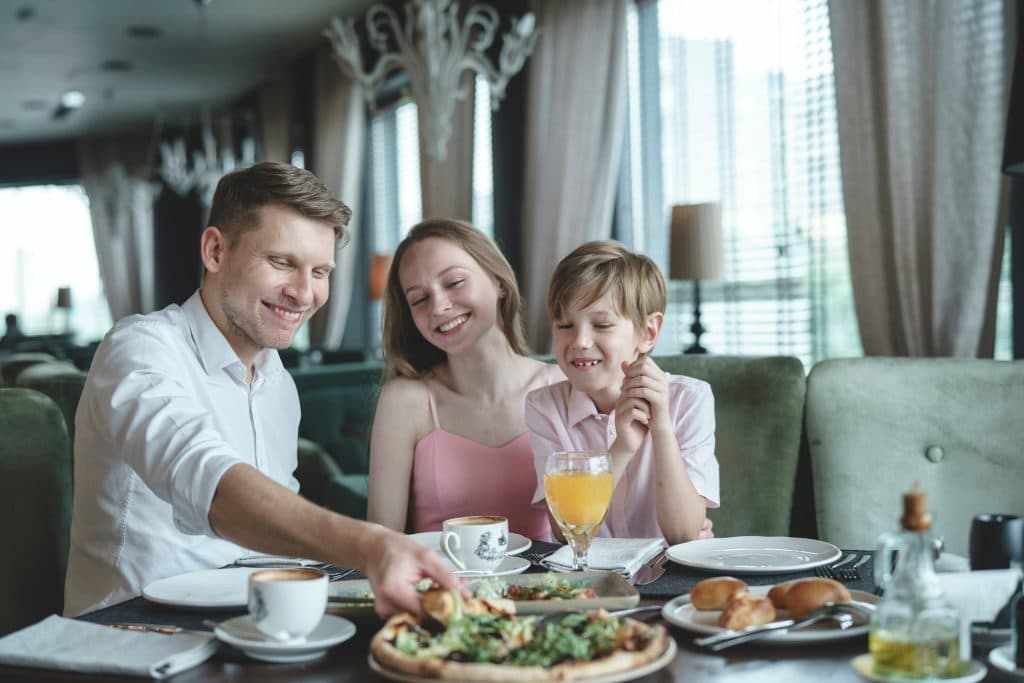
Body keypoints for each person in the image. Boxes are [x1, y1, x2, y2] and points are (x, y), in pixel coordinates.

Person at [64, 162, 458, 618]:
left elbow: (276, 541)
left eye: (320, 271)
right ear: (215, 251)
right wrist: (370, 545)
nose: (304, 293)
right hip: (128, 634)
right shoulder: (141, 349)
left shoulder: (278, 384)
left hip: (248, 628)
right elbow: (211, 483)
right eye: (282, 262)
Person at [368, 218, 563, 540]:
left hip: (545, 589)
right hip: (443, 589)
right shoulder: (404, 402)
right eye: (419, 299)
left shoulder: (561, 388)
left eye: (455, 282)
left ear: (499, 280)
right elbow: (382, 542)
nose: (440, 306)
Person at [526, 240, 719, 546]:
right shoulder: (544, 407)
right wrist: (623, 446)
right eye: (565, 325)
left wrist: (662, 428)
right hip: (592, 583)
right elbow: (567, 533)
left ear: (648, 333)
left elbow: (683, 535)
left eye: (601, 325)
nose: (580, 341)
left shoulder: (690, 399)